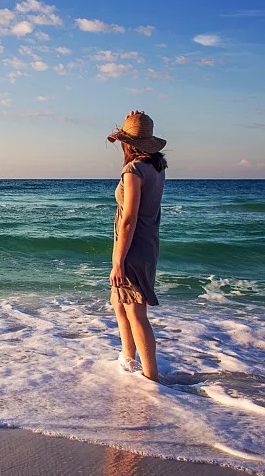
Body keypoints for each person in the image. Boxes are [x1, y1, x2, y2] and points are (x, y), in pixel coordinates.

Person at [107, 110, 167, 382]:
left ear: (127, 143)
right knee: (119, 301)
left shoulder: (133, 170)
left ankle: (151, 376)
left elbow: (129, 219)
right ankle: (128, 359)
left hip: (132, 246)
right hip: (145, 244)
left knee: (134, 309)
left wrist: (119, 261)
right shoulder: (155, 167)